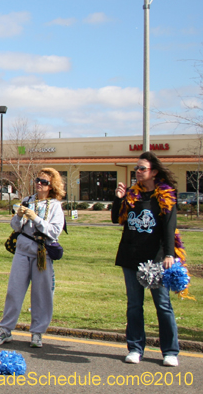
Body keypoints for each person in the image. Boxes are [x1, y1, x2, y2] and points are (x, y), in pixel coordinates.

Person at [111, 151, 180, 367]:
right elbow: (116, 219)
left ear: (154, 172)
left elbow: (169, 228)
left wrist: (169, 254)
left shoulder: (165, 195)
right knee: (134, 305)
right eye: (136, 169)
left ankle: (170, 351)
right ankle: (135, 348)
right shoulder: (133, 194)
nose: (138, 172)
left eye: (142, 169)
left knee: (163, 304)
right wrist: (118, 199)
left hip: (155, 259)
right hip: (131, 256)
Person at [0, 168, 65, 349]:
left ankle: (37, 333)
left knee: (41, 294)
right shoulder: (27, 201)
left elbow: (55, 231)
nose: (39, 183)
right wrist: (19, 215)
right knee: (14, 291)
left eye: (44, 182)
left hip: (42, 253)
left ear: (51, 186)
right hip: (22, 251)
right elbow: (15, 227)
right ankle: (6, 329)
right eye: (38, 180)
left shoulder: (54, 206)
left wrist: (37, 219)